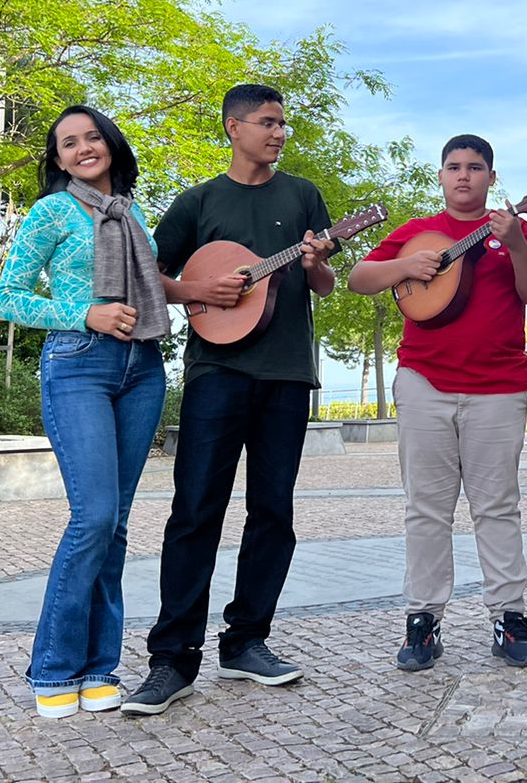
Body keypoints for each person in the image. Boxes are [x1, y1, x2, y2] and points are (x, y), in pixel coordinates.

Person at [120, 83, 336, 717]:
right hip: (216, 369)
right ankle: (171, 660)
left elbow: (322, 282)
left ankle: (246, 643)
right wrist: (195, 291)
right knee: (194, 512)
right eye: (267, 122)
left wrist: (318, 258)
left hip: (288, 374)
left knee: (273, 512)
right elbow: (147, 271)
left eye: (283, 123)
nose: (278, 133)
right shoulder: (199, 201)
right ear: (233, 127)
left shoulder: (302, 196)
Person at [347, 135, 527, 671]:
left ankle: (509, 617)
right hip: (424, 382)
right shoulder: (417, 233)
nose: (464, 176)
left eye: (476, 168)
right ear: (440, 175)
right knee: (426, 509)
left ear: (492, 177)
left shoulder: (517, 229)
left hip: (499, 385)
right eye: (454, 167)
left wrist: (518, 245)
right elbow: (359, 278)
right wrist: (406, 265)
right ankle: (423, 620)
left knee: (497, 505)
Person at [0, 104, 170, 719]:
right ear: (58, 159)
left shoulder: (132, 211)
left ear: (110, 145)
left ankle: (100, 667)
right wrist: (85, 313)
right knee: (92, 517)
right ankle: (53, 667)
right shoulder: (51, 211)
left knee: (117, 527)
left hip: (144, 368)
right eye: (67, 143)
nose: (81, 148)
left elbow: (156, 284)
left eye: (91, 136)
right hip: (78, 363)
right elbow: (8, 297)